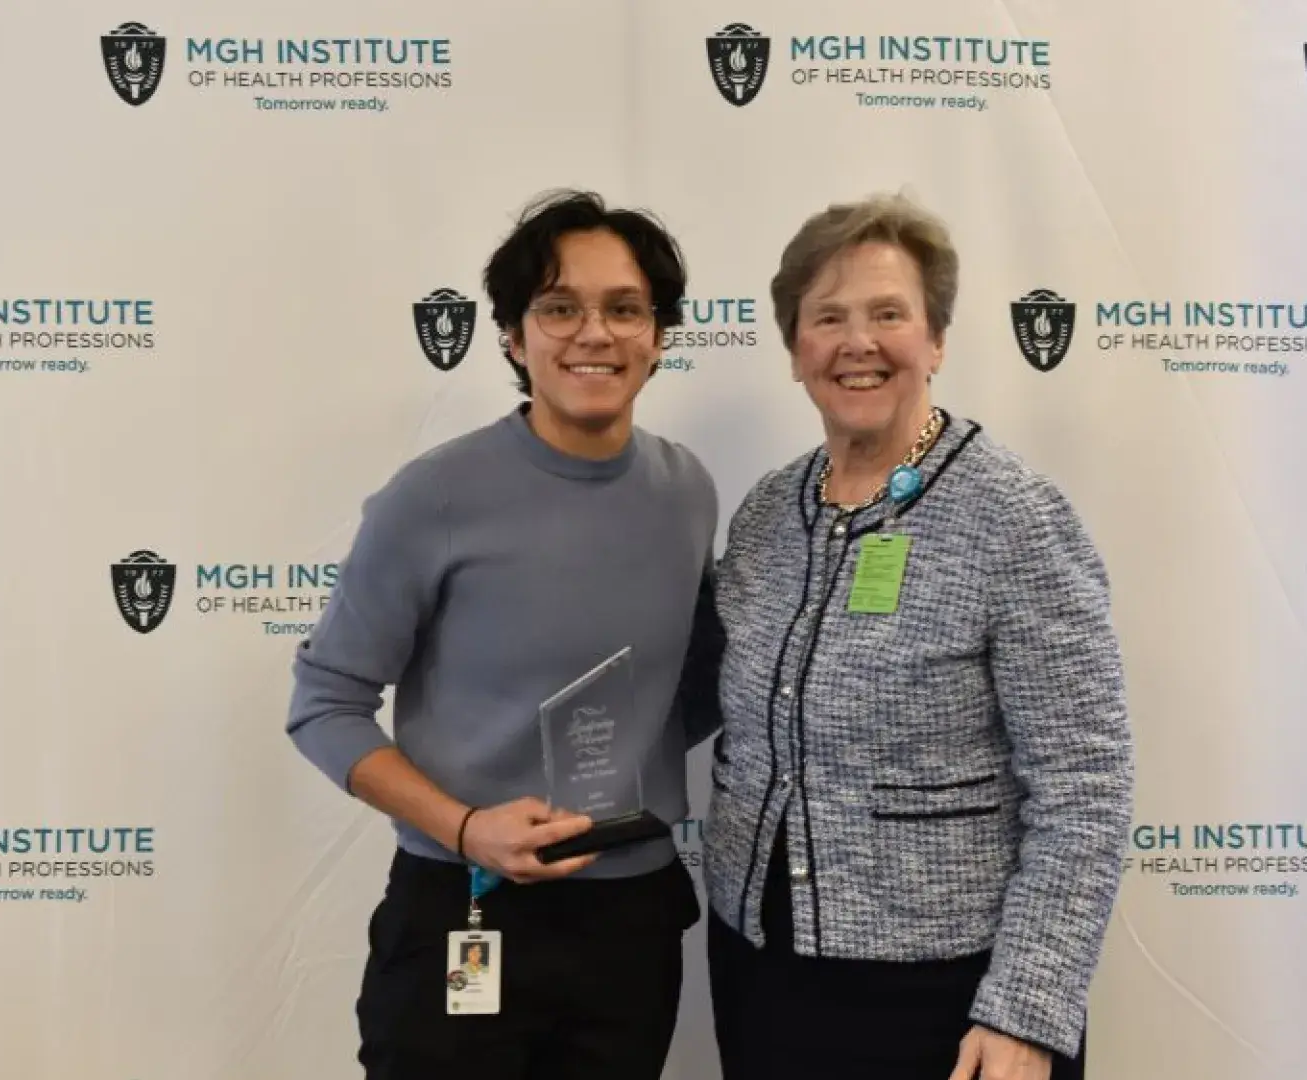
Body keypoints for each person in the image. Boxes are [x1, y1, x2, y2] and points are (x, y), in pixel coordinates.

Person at [287, 190, 723, 1080]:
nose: (594, 333)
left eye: (624, 309)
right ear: (516, 339)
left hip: (630, 918)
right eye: (560, 308)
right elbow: (324, 704)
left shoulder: (688, 491)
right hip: (465, 905)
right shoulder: (436, 496)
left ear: (660, 336)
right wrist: (466, 826)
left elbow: (700, 681)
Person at [702, 192, 1134, 1080]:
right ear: (795, 352)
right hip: (762, 970)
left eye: (887, 314)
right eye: (827, 318)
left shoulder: (1014, 518)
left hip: (946, 1000)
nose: (857, 343)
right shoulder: (764, 518)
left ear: (935, 340)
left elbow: (1084, 787)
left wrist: (1026, 1011)